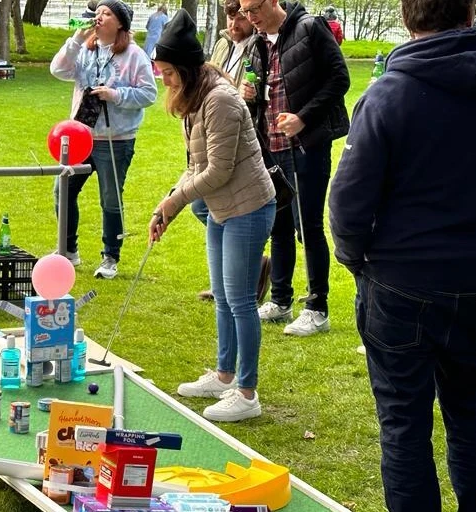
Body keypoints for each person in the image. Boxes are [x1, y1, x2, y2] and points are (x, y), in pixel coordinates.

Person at [328, 0, 476, 508]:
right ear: (471, 12)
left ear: (408, 18)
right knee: (471, 424)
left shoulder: (395, 93)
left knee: (407, 429)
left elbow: (348, 200)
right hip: (469, 277)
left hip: (409, 282)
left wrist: (357, 259)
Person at [150, 10, 276, 421]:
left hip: (249, 206)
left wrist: (176, 202)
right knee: (223, 296)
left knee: (240, 300)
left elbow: (218, 169)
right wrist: (167, 201)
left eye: (168, 72)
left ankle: (247, 392)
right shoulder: (195, 98)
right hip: (223, 208)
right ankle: (223, 376)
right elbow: (194, 163)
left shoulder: (220, 99)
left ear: (186, 68)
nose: (165, 81)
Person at [241, 0, 350, 336]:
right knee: (279, 224)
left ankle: (318, 307)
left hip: (307, 145)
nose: (251, 16)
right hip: (271, 146)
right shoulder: (257, 43)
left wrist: (304, 117)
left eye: (255, 8)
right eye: (246, 12)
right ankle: (280, 299)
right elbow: (265, 92)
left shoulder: (310, 28)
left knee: (310, 226)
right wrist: (250, 94)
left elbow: (339, 79)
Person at [49, 0, 157, 279]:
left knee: (110, 197)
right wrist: (76, 38)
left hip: (116, 139)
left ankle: (110, 256)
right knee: (63, 191)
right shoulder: (86, 49)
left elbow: (149, 94)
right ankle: (67, 250)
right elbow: (58, 70)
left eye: (106, 13)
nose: (98, 17)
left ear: (120, 23)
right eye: (97, 13)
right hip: (80, 136)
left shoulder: (134, 55)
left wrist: (115, 94)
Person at [194, 0, 256, 301]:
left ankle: (239, 279)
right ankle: (230, 279)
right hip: (214, 134)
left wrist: (254, 95)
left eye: (240, 17)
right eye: (230, 17)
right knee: (206, 206)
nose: (234, 24)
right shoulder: (222, 45)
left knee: (224, 208)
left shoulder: (258, 47)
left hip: (246, 140)